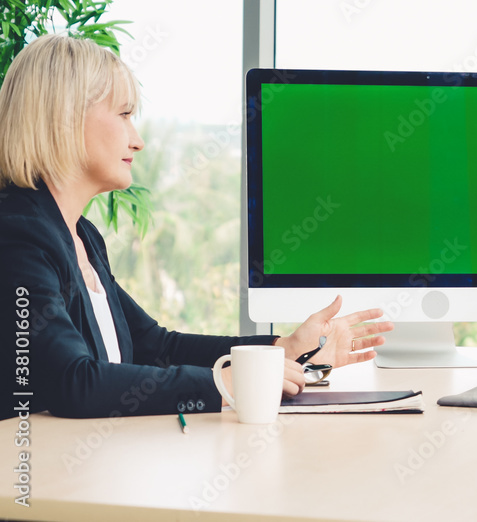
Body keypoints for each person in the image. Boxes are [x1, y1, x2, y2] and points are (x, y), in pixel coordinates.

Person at [0, 34, 392, 420]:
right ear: (64, 119)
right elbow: (74, 383)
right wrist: (221, 385)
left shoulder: (82, 236)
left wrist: (281, 350)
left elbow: (155, 345)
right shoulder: (18, 235)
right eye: (123, 115)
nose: (138, 141)